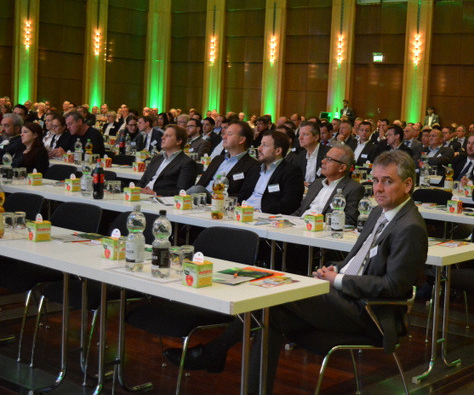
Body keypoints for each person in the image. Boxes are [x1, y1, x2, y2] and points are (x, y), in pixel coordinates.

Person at [163, 151, 428, 394]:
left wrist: (338, 279)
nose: (378, 188)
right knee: (272, 315)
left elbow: (393, 286)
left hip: (370, 313)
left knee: (276, 296)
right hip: (347, 297)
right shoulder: (380, 212)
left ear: (407, 185)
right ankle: (231, 368)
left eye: (387, 181)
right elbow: (359, 259)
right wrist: (336, 269)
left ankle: (214, 353)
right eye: (376, 181)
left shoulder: (410, 227)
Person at [293, 144, 365, 226]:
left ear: (342, 168)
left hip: (321, 229)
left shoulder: (353, 188)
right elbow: (301, 211)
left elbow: (349, 221)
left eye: (329, 159)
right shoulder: (316, 183)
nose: (323, 161)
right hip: (300, 226)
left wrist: (315, 223)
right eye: (325, 157)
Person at [237, 131, 304, 214]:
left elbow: (290, 203)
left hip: (264, 216)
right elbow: (242, 194)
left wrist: (260, 211)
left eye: (264, 145)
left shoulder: (291, 172)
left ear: (278, 151)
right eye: (260, 144)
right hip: (242, 212)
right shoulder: (254, 170)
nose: (259, 148)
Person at [188, 121, 259, 198]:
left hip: (222, 201)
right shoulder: (217, 159)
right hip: (199, 200)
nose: (224, 137)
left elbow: (244, 195)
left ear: (241, 140)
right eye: (225, 134)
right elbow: (201, 183)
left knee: (197, 189)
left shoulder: (253, 166)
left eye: (229, 134)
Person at [138, 125, 197, 196]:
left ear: (178, 141)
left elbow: (182, 191)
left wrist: (155, 193)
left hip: (162, 199)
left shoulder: (187, 163)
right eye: (163, 135)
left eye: (168, 136)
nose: (162, 138)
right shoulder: (156, 158)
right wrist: (137, 190)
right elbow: (142, 181)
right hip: (142, 195)